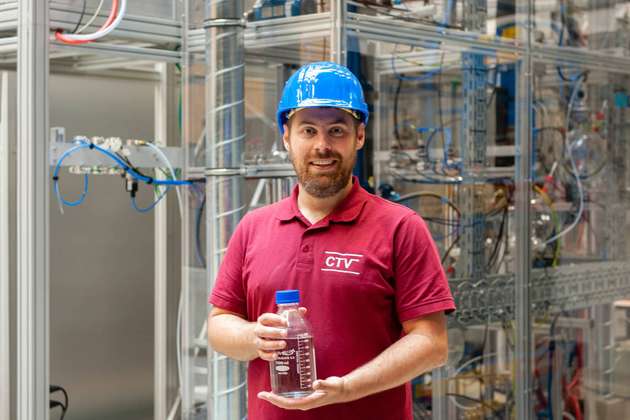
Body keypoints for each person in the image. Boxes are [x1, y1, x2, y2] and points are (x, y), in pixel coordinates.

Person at [207, 61, 455, 420]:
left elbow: (431, 343)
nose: (322, 146)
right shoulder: (253, 227)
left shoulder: (400, 227)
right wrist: (252, 337)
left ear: (359, 137)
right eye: (308, 130)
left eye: (336, 130)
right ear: (286, 137)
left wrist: (347, 389)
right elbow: (219, 324)